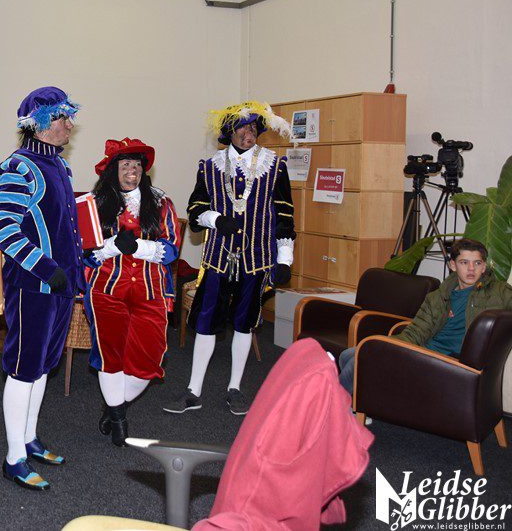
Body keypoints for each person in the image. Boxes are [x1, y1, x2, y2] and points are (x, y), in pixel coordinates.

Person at [0, 86, 87, 491]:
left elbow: (67, 228)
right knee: (24, 369)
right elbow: (3, 229)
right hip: (32, 285)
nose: (70, 125)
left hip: (60, 286)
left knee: (42, 367)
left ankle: (29, 439)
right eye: (62, 118)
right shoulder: (18, 166)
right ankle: (13, 458)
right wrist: (46, 269)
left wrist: (76, 268)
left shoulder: (61, 166)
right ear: (40, 123)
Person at [165, 101, 295, 416]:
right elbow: (195, 210)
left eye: (253, 128)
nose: (249, 133)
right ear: (229, 132)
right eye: (242, 128)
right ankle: (193, 391)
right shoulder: (209, 166)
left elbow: (285, 215)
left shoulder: (274, 166)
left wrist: (285, 259)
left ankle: (234, 389)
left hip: (257, 258)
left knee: (244, 324)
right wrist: (215, 219)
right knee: (206, 323)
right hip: (218, 258)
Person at [84, 137, 181, 445]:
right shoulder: (95, 204)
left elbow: (172, 249)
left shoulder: (161, 203)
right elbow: (85, 254)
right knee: (110, 355)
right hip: (106, 290)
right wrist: (113, 246)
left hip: (151, 292)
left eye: (136, 165)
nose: (132, 170)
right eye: (125, 164)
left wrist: (139, 247)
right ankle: (119, 421)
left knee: (149, 361)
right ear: (113, 170)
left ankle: (113, 406)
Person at [338, 238, 512, 394]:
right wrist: (389, 345)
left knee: (359, 359)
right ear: (453, 265)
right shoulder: (438, 297)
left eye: (477, 263)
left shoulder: (500, 292)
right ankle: (353, 404)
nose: (471, 269)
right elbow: (416, 332)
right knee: (348, 354)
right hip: (423, 351)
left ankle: (335, 407)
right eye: (464, 262)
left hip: (447, 361)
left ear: (484, 266)